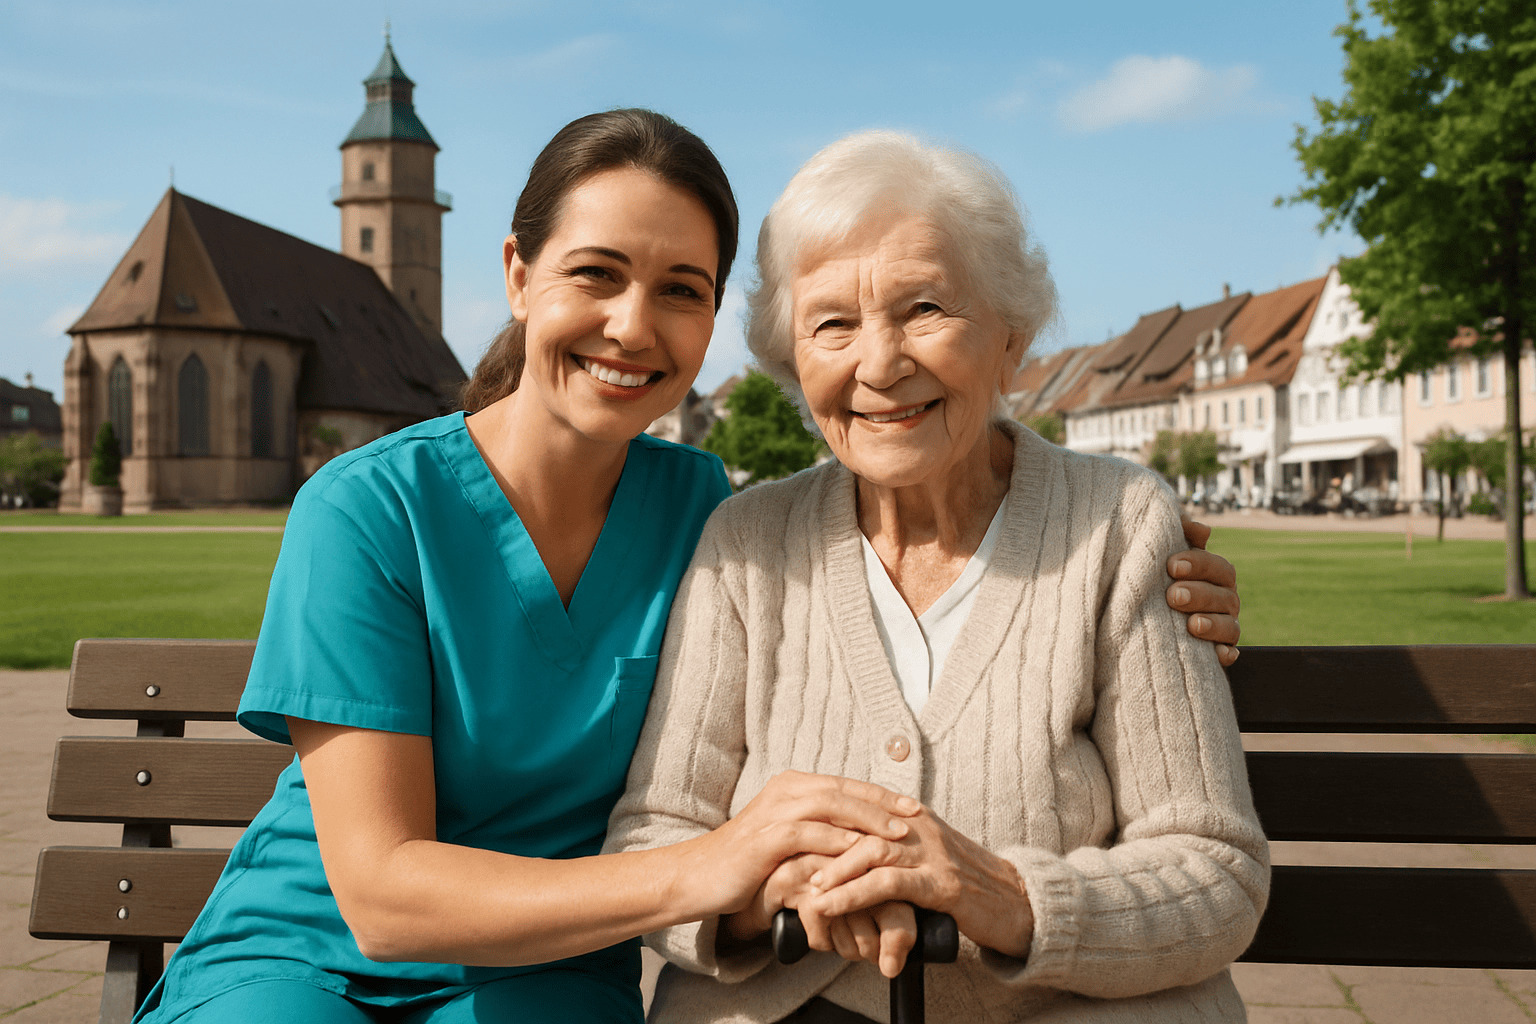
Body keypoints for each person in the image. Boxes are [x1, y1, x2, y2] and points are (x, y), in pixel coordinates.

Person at [133, 111, 1243, 1024]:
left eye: (680, 289)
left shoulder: (712, 515)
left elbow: (1199, 838)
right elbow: (383, 893)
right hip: (312, 960)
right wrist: (732, 869)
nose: (631, 325)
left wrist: (1143, 560)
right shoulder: (374, 508)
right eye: (596, 274)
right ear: (518, 276)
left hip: (550, 970)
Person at [606, 131, 1268, 1024]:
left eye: (925, 310)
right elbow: (654, 836)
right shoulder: (746, 543)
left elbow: (1213, 867)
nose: (880, 364)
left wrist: (1002, 896)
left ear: (1010, 339)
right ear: (793, 365)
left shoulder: (1119, 524)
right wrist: (764, 888)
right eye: (832, 324)